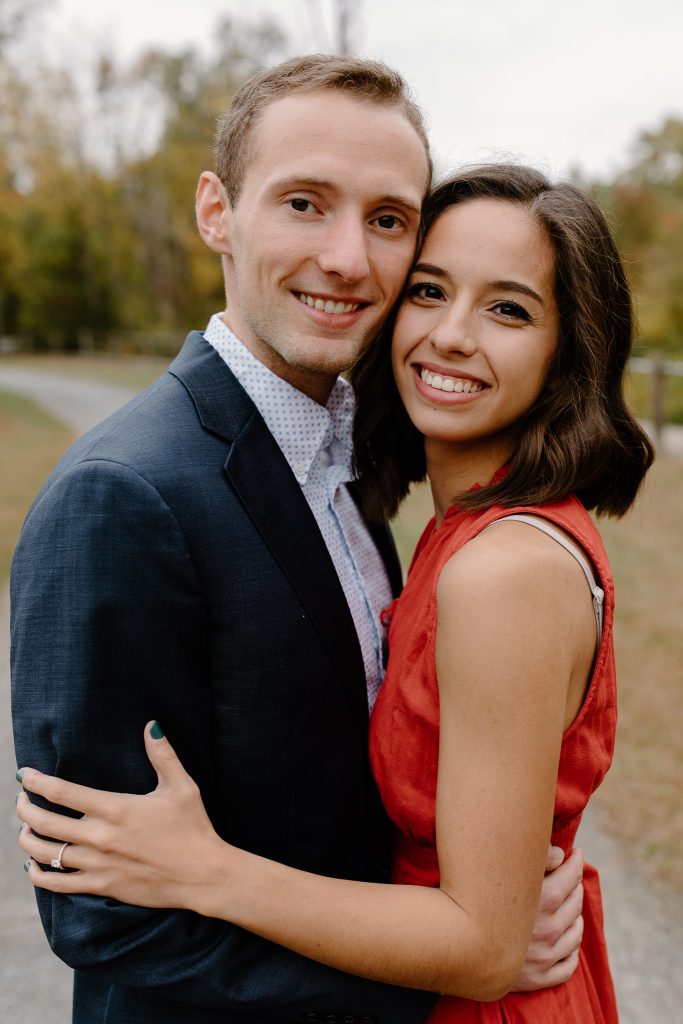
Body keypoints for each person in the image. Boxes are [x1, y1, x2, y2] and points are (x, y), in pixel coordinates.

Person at [12, 55, 584, 1024]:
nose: (349, 259)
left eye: (388, 219)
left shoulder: (352, 459)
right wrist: (443, 964)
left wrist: (475, 898)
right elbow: (106, 915)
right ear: (215, 213)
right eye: (304, 203)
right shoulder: (124, 495)